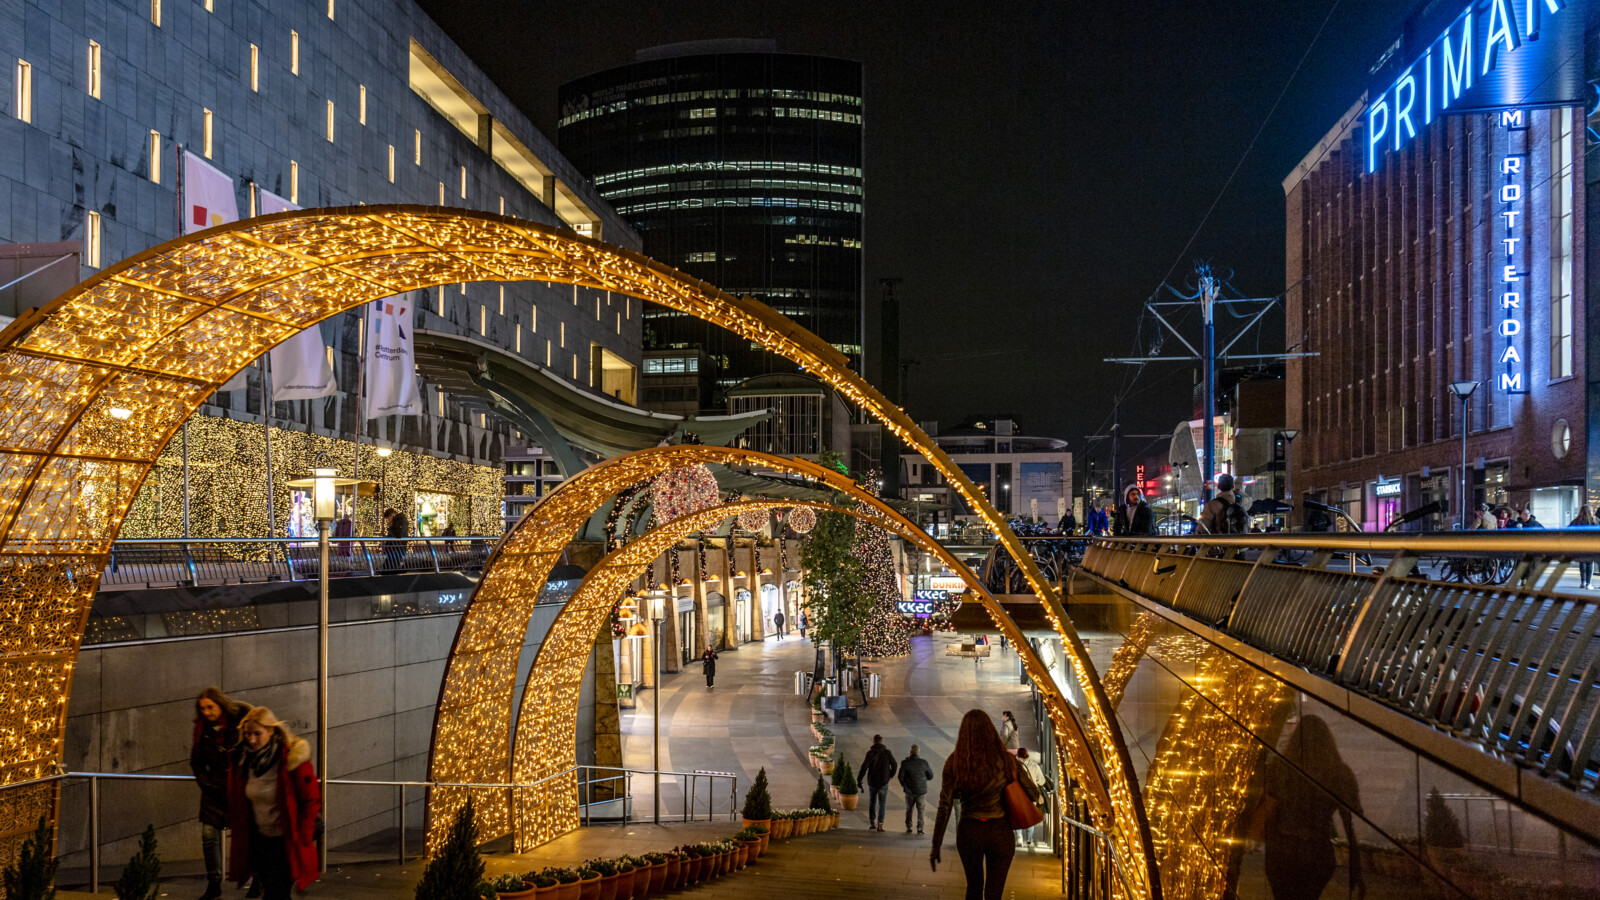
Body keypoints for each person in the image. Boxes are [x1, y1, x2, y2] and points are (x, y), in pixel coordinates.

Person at [930, 709, 1042, 900]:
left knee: (973, 888)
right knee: (994, 893)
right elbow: (1033, 793)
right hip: (1000, 831)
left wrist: (936, 844)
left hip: (970, 830)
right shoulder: (1007, 760)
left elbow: (945, 805)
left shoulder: (955, 761)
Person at [1262, 716, 1363, 900]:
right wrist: (1356, 867)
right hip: (1317, 851)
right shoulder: (1339, 772)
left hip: (1282, 850)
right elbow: (1350, 822)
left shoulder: (1280, 768)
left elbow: (1269, 807)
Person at [228, 707, 321, 900]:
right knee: (274, 892)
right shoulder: (244, 760)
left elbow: (311, 799)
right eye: (247, 734)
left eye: (257, 734)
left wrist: (302, 835)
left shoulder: (291, 759)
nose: (252, 740)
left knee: (275, 893)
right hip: (260, 840)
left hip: (285, 841)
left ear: (272, 731)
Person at [191, 688, 251, 900]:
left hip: (239, 788)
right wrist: (206, 784)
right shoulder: (202, 730)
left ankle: (257, 880)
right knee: (208, 835)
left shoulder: (240, 721)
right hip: (214, 790)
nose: (206, 712)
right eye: (202, 708)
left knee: (248, 837)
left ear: (220, 705)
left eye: (210, 707)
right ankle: (214, 883)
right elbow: (196, 762)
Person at [860, 734, 898, 833]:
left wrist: (859, 779)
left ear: (873, 742)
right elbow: (894, 764)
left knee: (872, 802)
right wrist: (890, 776)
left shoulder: (870, 753)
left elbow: (864, 767)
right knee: (882, 803)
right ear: (882, 741)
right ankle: (880, 825)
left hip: (872, 782)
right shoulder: (887, 753)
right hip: (883, 782)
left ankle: (872, 823)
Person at [1014, 748, 1048, 849]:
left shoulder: (1015, 767)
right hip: (1031, 796)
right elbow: (1041, 781)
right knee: (1030, 817)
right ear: (1027, 756)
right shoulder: (1034, 766)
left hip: (1018, 796)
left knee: (1018, 816)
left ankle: (1019, 837)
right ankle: (1029, 840)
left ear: (1017, 756)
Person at [898, 744, 935, 835]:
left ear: (910, 752)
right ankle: (920, 828)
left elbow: (900, 777)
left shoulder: (905, 763)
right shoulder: (924, 762)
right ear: (918, 752)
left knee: (909, 809)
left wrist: (905, 786)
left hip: (909, 791)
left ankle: (909, 827)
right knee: (921, 809)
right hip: (921, 791)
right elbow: (930, 776)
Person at [1572, 506, 1597, 588]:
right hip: (1592, 546)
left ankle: (1583, 582)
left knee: (1582, 563)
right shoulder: (1595, 520)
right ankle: (1588, 583)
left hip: (1580, 545)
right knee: (1590, 563)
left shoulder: (1577, 521)